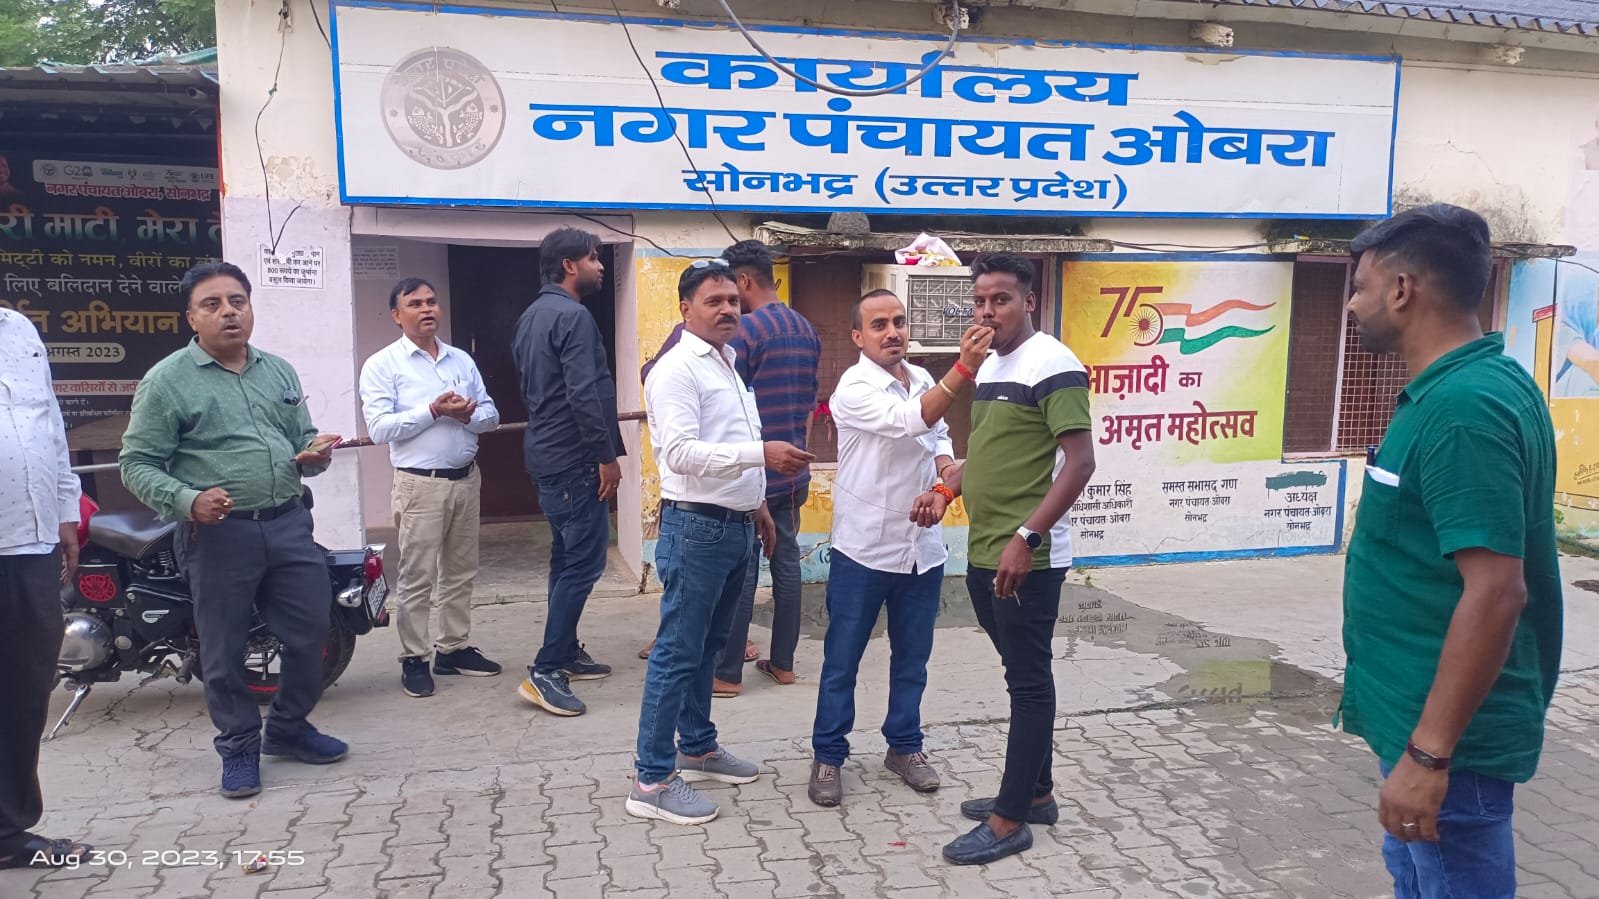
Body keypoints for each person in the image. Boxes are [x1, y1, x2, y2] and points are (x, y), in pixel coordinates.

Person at [1340, 204, 1562, 899]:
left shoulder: (1463, 409)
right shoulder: (1464, 387)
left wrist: (1429, 755)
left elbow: (1496, 591)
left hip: (1450, 746)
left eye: (1359, 287)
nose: (1351, 305)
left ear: (1402, 289)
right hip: (1423, 725)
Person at [119, 261, 347, 800]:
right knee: (223, 650)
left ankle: (287, 729)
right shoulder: (167, 381)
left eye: (237, 301)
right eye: (213, 304)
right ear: (191, 318)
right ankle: (239, 747)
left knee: (312, 631)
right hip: (219, 536)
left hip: (288, 523)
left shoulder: (278, 371)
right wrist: (188, 500)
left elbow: (302, 434)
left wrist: (314, 453)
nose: (228, 312)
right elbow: (136, 463)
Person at [627, 258, 813, 826]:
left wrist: (757, 504)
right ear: (686, 309)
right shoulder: (676, 370)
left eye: (733, 299)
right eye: (715, 301)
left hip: (736, 524)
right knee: (677, 653)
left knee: (709, 648)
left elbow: (729, 439)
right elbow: (679, 453)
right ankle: (651, 779)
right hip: (697, 529)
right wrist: (762, 456)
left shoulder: (729, 362)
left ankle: (697, 747)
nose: (729, 309)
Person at [939, 252, 1096, 866]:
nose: (987, 311)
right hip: (985, 549)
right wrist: (950, 485)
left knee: (1029, 684)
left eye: (1000, 299)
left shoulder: (1053, 362)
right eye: (979, 301)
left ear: (1028, 301)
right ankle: (1038, 792)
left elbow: (1080, 462)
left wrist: (1027, 537)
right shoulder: (991, 364)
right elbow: (991, 450)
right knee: (1021, 674)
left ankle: (1009, 821)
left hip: (1026, 556)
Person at [807, 290, 992, 807]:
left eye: (899, 322)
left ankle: (905, 746)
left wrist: (944, 476)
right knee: (842, 661)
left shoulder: (923, 379)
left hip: (921, 549)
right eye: (879, 325)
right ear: (857, 337)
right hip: (864, 549)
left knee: (913, 658)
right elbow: (913, 420)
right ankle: (828, 755)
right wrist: (965, 367)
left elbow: (937, 435)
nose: (892, 332)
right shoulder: (854, 387)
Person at [360, 277, 502, 699]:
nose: (427, 309)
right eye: (415, 303)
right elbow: (380, 428)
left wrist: (467, 416)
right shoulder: (383, 365)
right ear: (396, 315)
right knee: (417, 576)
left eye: (432, 301)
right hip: (420, 485)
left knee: (461, 571)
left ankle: (453, 648)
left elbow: (492, 415)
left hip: (466, 479)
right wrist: (433, 411)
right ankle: (414, 657)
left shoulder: (460, 360)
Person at [512, 227, 626, 718]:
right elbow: (584, 393)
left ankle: (564, 652)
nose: (600, 266)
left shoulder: (531, 316)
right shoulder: (573, 316)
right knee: (583, 564)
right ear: (569, 266)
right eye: (594, 258)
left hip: (547, 454)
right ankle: (547, 669)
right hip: (575, 458)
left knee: (565, 561)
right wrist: (606, 456)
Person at [0, 305, 92, 869]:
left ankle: (7, 833)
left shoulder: (19, 330)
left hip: (31, 541)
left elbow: (49, 426)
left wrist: (64, 511)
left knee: (22, 693)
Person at [710, 239, 820, 696]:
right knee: (788, 563)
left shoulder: (746, 332)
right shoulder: (806, 328)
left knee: (744, 569)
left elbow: (732, 407)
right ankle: (784, 665)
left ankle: (727, 674)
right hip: (794, 468)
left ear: (743, 280)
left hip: (756, 470)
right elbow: (810, 404)